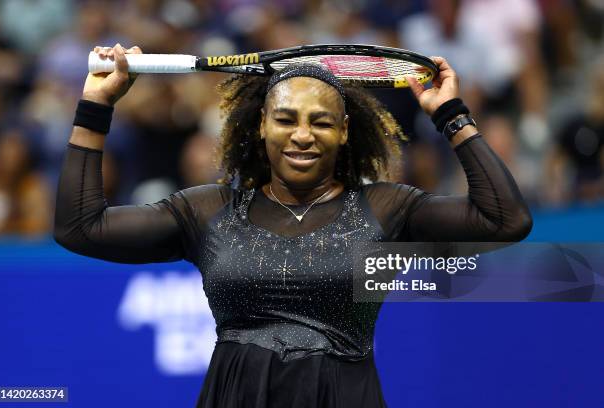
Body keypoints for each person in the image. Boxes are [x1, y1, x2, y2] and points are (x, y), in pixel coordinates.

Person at [54, 44, 532, 407]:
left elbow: (505, 219)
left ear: (344, 133)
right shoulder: (206, 211)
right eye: (285, 119)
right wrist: (96, 105)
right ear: (261, 124)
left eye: (321, 122)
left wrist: (450, 114)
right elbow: (80, 227)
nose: (302, 135)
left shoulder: (388, 209)